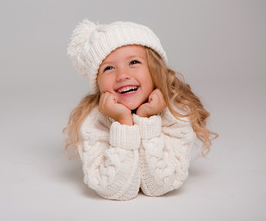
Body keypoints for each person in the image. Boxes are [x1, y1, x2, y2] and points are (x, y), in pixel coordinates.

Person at [63, 19, 217, 200]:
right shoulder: (93, 121)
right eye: (109, 68)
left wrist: (146, 120)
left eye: (134, 62)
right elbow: (115, 190)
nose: (122, 75)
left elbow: (160, 186)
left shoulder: (176, 114)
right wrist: (124, 123)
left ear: (155, 70)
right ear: (97, 82)